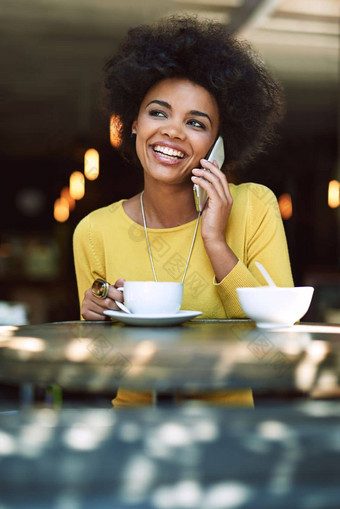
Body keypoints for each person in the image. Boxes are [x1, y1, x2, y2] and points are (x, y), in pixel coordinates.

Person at [73, 15, 293, 407]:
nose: (173, 131)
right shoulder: (94, 232)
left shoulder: (255, 206)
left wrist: (215, 241)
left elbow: (276, 345)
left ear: (217, 144)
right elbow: (105, 367)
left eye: (196, 122)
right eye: (158, 113)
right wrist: (96, 323)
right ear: (133, 124)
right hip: (132, 427)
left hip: (230, 429)